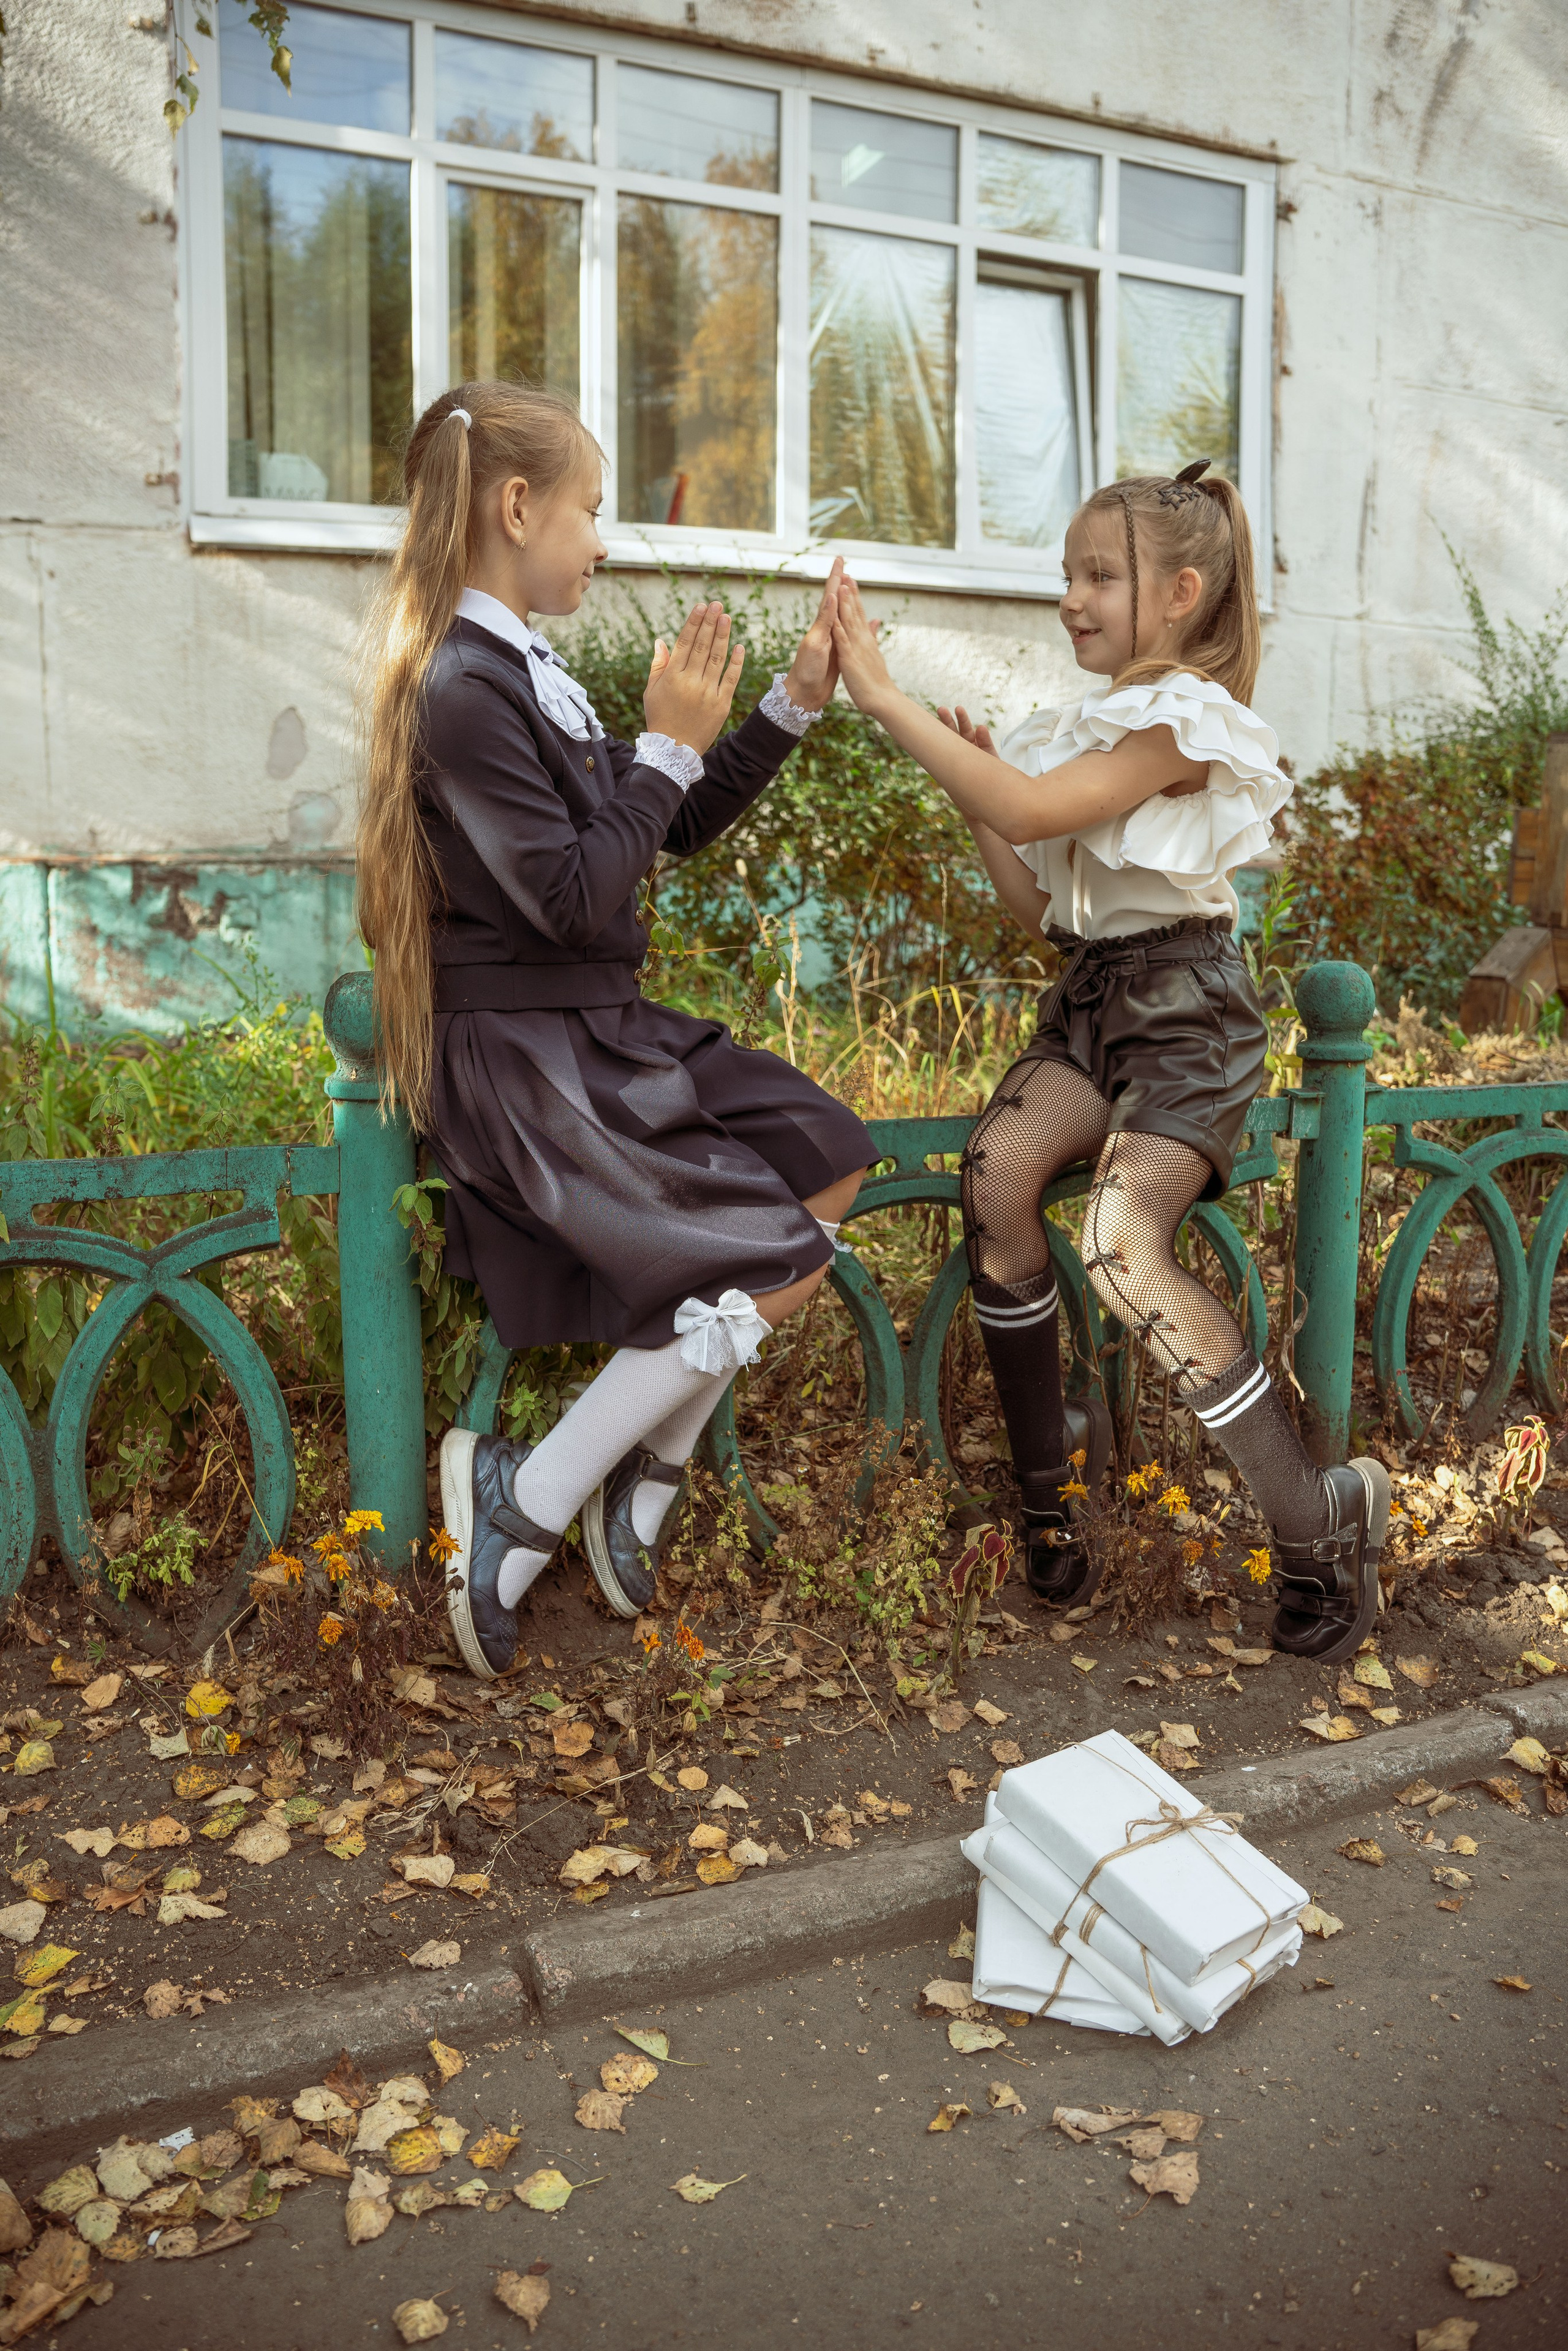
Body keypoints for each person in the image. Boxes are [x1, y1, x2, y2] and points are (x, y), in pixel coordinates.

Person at [827, 461, 1389, 1666]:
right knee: (995, 1176)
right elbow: (1040, 903)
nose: (1070, 599)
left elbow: (1036, 812)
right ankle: (1047, 1501)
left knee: (1119, 1246)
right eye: (1066, 575)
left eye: (1097, 576)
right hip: (1094, 996)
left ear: (1180, 592)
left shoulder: (1180, 723)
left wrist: (884, 695)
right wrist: (984, 797)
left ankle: (1315, 1520)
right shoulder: (1089, 725)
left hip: (1185, 1012)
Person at [355, 380, 873, 1679]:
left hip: (600, 1024)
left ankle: (637, 1469)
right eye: (591, 508)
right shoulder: (460, 688)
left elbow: (664, 829)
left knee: (826, 1153)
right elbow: (575, 897)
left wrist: (782, 710)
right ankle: (531, 1501)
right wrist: (659, 746)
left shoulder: (529, 671)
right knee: (769, 1260)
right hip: (535, 1056)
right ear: (515, 505)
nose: (606, 538)